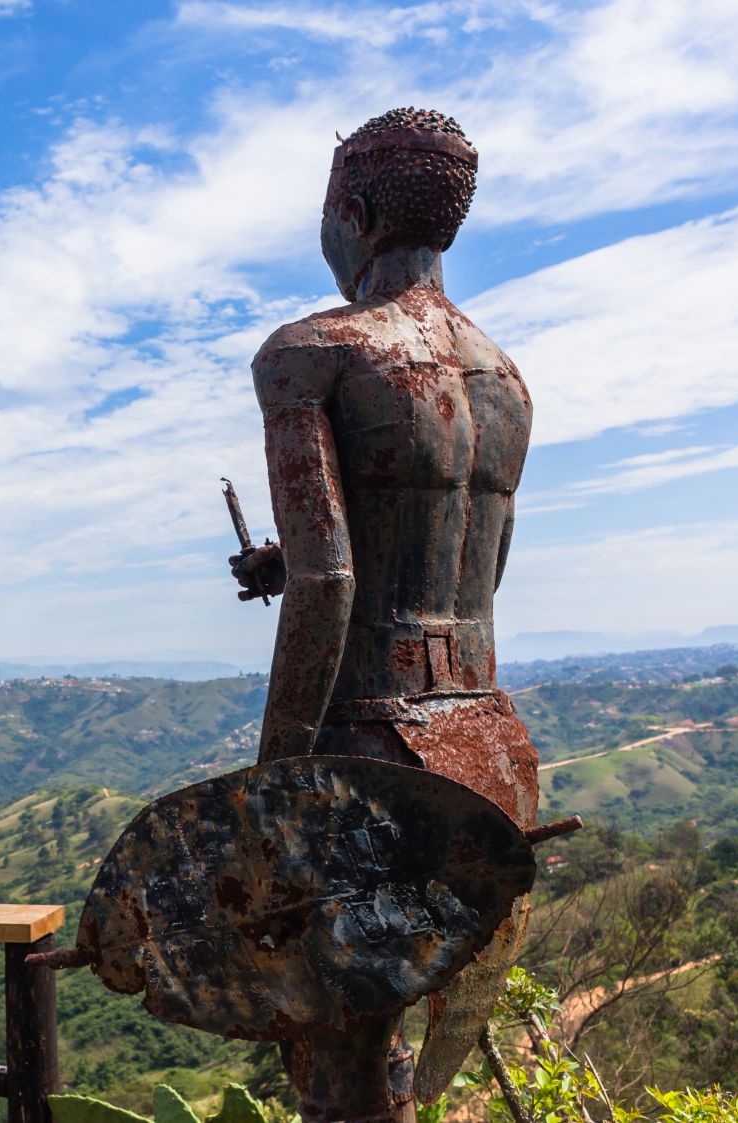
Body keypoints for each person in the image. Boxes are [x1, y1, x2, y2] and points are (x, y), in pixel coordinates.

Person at [228, 107, 541, 1117]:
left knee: (338, 1059)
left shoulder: (308, 352)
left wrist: (270, 782)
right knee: (404, 1039)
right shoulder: (503, 377)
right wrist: (289, 560)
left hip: (366, 743)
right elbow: (475, 566)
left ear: (350, 212)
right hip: (486, 737)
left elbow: (331, 585)